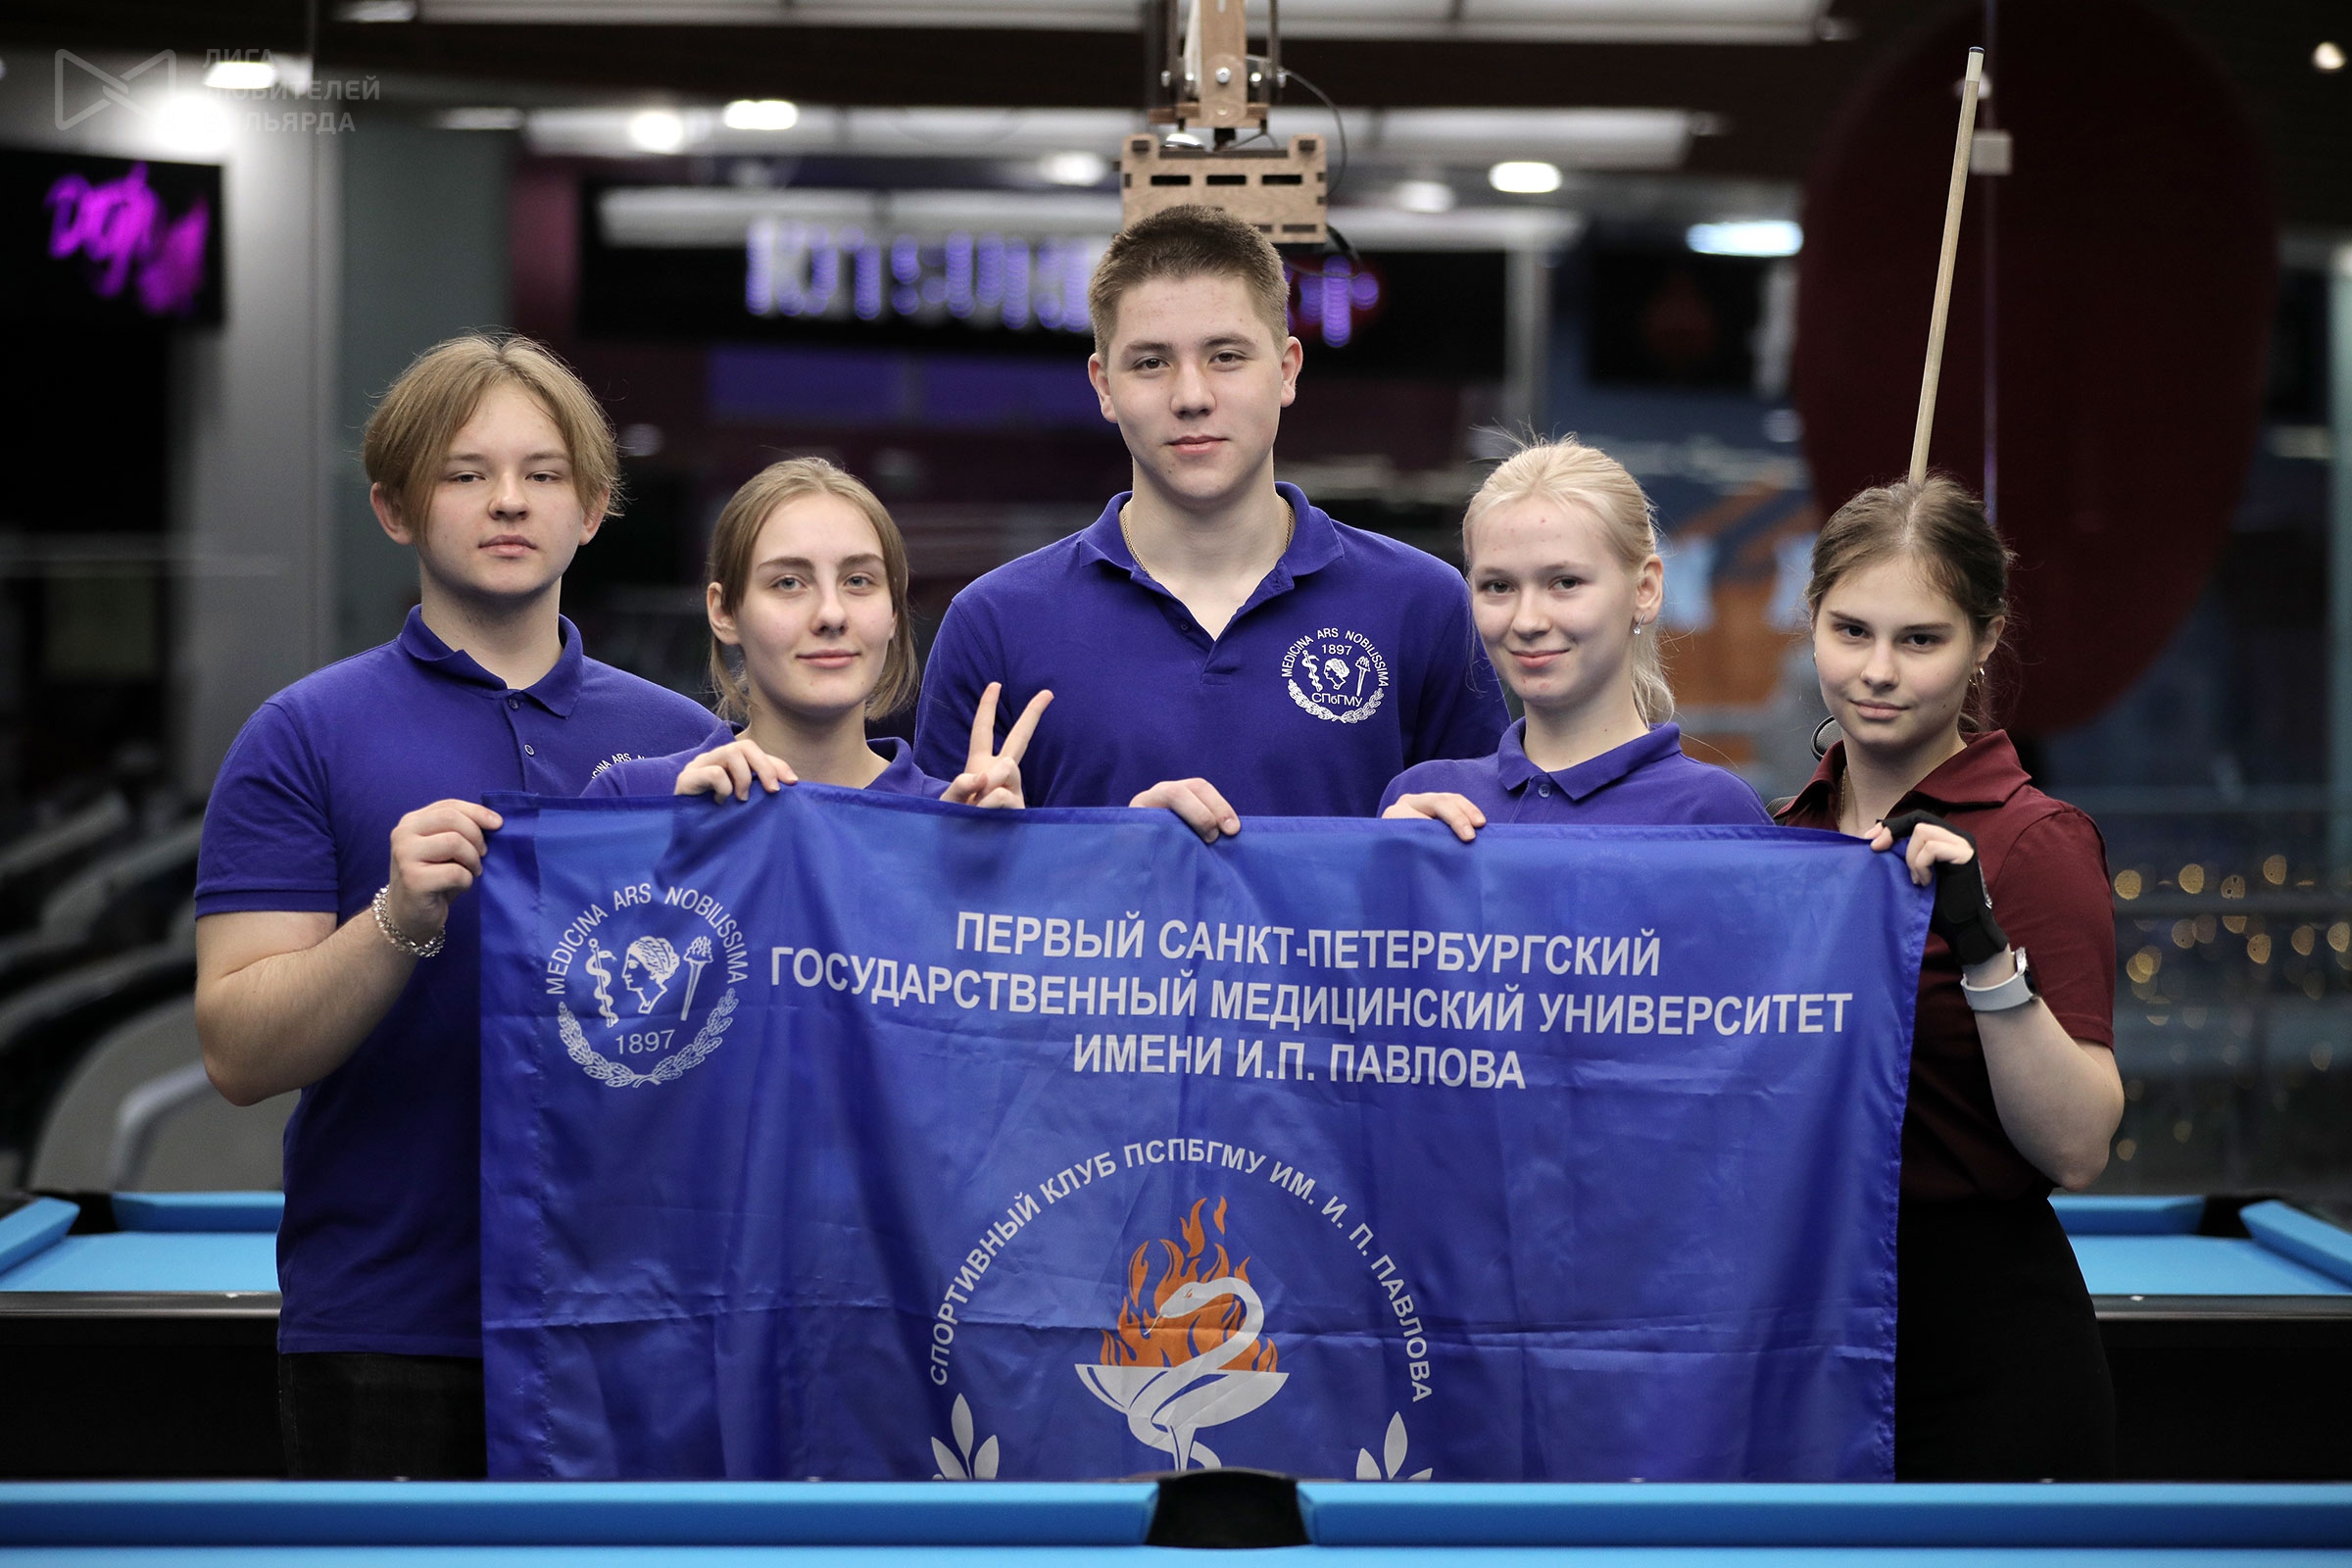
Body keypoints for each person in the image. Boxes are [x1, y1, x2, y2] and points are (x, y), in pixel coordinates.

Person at [191, 334, 726, 1479]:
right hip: (386, 1327)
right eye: (464, 472)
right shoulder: (300, 735)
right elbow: (237, 1050)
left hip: (642, 1321)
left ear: (592, 508)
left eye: (544, 473)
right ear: (394, 509)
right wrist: (394, 922)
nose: (508, 501)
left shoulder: (690, 744)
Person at [911, 204, 1507, 840]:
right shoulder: (995, 626)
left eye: (1225, 356)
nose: (1191, 396)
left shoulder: (1421, 605)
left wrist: (1415, 855)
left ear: (1287, 370)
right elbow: (936, 886)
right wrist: (1063, 855)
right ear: (1103, 385)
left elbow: (1493, 871)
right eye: (1151, 362)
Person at [1774, 475, 2124, 1480]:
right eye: (1851, 630)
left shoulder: (2035, 843)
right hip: (1804, 1335)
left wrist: (1979, 942)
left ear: (1985, 640)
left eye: (1920, 639)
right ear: (1812, 621)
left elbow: (2078, 1147)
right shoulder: (1786, 835)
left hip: (1985, 1352)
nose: (1878, 671)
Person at [584, 458, 1047, 805]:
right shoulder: (634, 797)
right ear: (724, 612)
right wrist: (668, 839)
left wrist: (993, 869)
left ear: (893, 612)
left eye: (858, 581)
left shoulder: (952, 817)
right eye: (788, 583)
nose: (831, 614)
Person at [1377, 437, 1769, 837]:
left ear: (1645, 589)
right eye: (1498, 586)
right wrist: (1390, 862)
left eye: (1565, 582)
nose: (1527, 621)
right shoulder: (1425, 800)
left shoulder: (1713, 812)